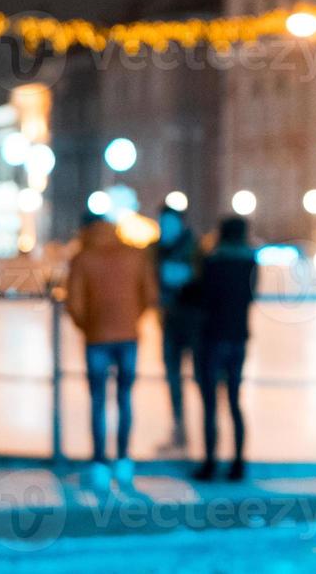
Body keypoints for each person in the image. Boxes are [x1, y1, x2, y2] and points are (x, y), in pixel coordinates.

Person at [66, 210, 156, 490]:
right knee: (125, 397)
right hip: (128, 336)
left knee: (97, 400)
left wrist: (90, 326)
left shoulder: (82, 258)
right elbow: (149, 296)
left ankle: (99, 463)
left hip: (96, 338)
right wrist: (130, 319)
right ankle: (124, 460)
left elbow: (75, 304)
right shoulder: (134, 254)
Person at [192, 216, 258, 482]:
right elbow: (251, 296)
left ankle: (210, 463)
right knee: (234, 402)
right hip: (238, 338)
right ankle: (239, 463)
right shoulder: (250, 264)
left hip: (212, 337)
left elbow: (203, 297)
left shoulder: (213, 262)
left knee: (210, 403)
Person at [153, 202, 201, 452]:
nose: (164, 228)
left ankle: (206, 433)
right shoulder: (157, 250)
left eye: (168, 223)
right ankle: (180, 428)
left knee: (202, 379)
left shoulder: (195, 248)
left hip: (194, 324)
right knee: (173, 378)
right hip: (170, 324)